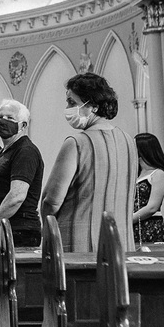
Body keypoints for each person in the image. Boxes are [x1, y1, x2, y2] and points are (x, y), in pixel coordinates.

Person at [40, 73, 136, 252]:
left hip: (79, 246)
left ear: (92, 105)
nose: (67, 108)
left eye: (72, 102)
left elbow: (52, 200)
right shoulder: (129, 141)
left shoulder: (77, 143)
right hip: (121, 244)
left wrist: (46, 230)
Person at [0, 100, 44, 250]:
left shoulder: (25, 151)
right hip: (3, 228)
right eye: (0, 117)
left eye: (10, 118)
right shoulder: (2, 153)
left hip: (20, 231)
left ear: (23, 125)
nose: (3, 121)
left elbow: (17, 196)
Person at [131, 133, 164, 245]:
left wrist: (128, 220)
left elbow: (152, 207)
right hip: (134, 225)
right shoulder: (137, 174)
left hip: (148, 225)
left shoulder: (158, 174)